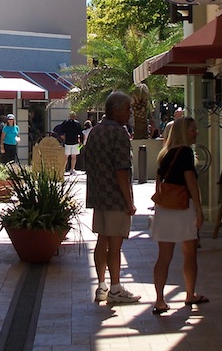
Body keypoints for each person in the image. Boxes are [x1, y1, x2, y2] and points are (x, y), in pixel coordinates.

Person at [85, 91, 141, 303]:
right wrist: (129, 201)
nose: (130, 113)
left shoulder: (96, 132)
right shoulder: (119, 133)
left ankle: (101, 285)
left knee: (102, 241)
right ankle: (115, 288)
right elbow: (122, 170)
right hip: (115, 198)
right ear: (116, 110)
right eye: (127, 108)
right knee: (115, 245)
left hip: (99, 197)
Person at [151, 116, 208, 315]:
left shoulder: (165, 154)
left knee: (164, 256)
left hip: (165, 208)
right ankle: (190, 293)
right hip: (183, 207)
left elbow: (159, 182)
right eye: (193, 129)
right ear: (184, 132)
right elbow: (190, 181)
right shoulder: (185, 152)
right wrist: (200, 209)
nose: (196, 132)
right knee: (189, 253)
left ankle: (159, 300)